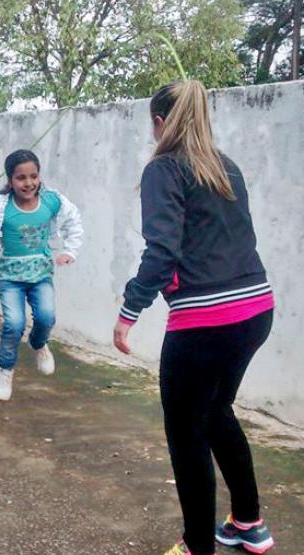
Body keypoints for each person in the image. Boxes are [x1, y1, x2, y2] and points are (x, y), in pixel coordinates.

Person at [113, 80, 276, 555]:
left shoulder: (164, 169)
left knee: (187, 434)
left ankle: (196, 545)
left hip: (206, 321)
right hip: (256, 311)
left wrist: (129, 310)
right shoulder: (226, 167)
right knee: (216, 411)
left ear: (160, 123)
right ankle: (248, 522)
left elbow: (162, 253)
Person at [0, 149, 83, 401]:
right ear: (9, 180)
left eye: (33, 176)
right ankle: (5, 368)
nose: (28, 183)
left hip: (41, 275)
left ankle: (38, 343)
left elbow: (74, 222)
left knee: (46, 317)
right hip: (10, 278)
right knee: (14, 324)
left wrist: (70, 251)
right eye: (21, 178)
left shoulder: (52, 201)